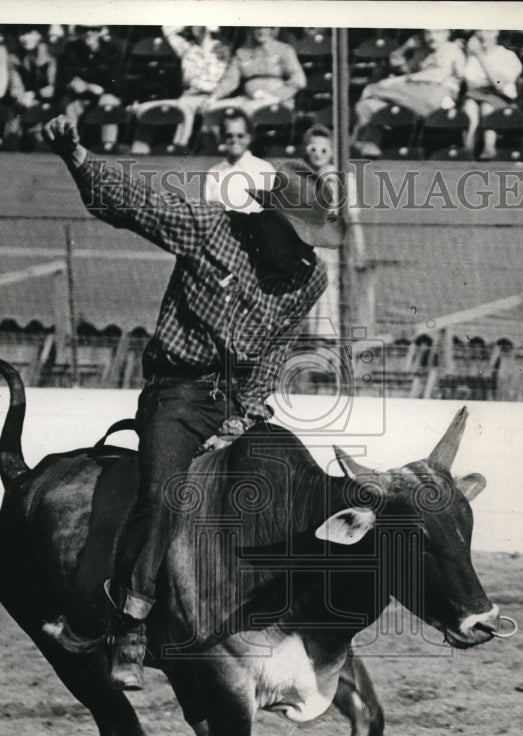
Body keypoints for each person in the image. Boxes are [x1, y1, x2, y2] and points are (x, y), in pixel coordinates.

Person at [41, 114, 342, 690]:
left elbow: (276, 350)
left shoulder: (311, 277)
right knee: (165, 496)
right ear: (267, 218)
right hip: (177, 390)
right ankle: (129, 622)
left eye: (314, 237)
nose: (305, 250)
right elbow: (133, 203)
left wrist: (245, 414)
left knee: (289, 486)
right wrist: (77, 156)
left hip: (239, 399)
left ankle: (285, 618)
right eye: (297, 233)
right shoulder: (210, 228)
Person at [352, 29, 466, 156]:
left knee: (372, 89)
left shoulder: (450, 48)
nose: (432, 37)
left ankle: (355, 139)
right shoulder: (424, 52)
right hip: (413, 99)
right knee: (366, 105)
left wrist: (396, 81)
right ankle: (367, 143)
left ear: (447, 34)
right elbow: (399, 65)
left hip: (439, 98)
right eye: (428, 33)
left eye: (437, 32)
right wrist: (405, 47)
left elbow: (436, 76)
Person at [299, 124, 366, 338]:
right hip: (309, 247)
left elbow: (353, 218)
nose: (318, 154)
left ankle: (329, 343)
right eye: (313, 149)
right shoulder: (302, 178)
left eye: (324, 150)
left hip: (331, 245)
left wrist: (360, 249)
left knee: (330, 295)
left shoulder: (342, 179)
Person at [130, 26, 230, 154]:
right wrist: (186, 22)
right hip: (186, 97)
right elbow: (167, 30)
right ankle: (139, 154)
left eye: (200, 25)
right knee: (146, 111)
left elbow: (216, 79)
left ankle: (179, 150)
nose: (196, 28)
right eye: (193, 25)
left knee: (188, 112)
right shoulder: (187, 48)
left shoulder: (220, 49)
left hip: (209, 97)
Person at [206, 26, 306, 116]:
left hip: (277, 100)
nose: (261, 31)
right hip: (249, 98)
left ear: (272, 29)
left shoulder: (284, 49)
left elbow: (299, 80)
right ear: (251, 29)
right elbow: (230, 80)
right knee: (211, 108)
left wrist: (276, 96)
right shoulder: (241, 52)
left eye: (265, 27)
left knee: (245, 110)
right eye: (257, 27)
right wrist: (214, 97)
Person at [57, 26, 125, 152]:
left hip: (106, 94)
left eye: (94, 30)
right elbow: (65, 75)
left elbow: (116, 81)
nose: (88, 33)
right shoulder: (72, 48)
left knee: (108, 104)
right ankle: (70, 147)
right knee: (70, 105)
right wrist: (75, 83)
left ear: (102, 31)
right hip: (81, 95)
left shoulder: (113, 48)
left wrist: (96, 51)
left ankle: (108, 145)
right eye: (84, 30)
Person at [461, 30, 523, 158]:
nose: (483, 36)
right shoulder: (470, 57)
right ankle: (468, 149)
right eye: (480, 32)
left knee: (486, 106)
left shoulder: (508, 56)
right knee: (469, 107)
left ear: (496, 33)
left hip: (502, 99)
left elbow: (498, 83)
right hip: (476, 96)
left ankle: (489, 148)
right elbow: (471, 84)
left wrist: (481, 56)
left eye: (489, 32)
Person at [204, 109, 275, 213]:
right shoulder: (213, 172)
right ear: (223, 137)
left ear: (249, 137)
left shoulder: (265, 169)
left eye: (240, 135)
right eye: (229, 135)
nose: (234, 140)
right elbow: (208, 213)